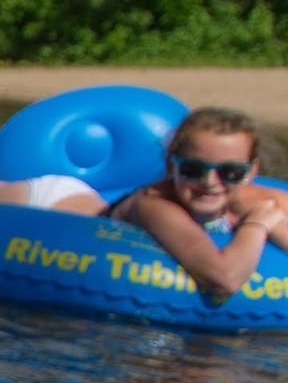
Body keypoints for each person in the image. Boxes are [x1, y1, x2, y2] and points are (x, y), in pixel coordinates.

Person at [107, 106, 288, 301]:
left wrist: (275, 225)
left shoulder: (256, 200)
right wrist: (256, 225)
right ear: (171, 165)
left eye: (230, 172)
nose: (210, 182)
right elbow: (225, 279)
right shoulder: (153, 205)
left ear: (251, 172)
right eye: (193, 169)